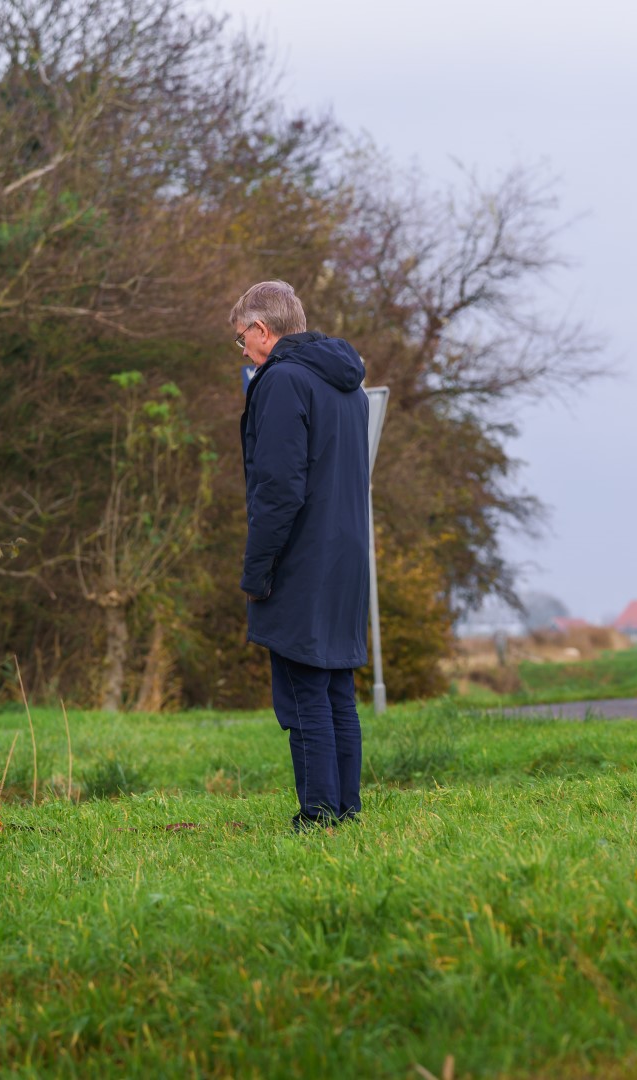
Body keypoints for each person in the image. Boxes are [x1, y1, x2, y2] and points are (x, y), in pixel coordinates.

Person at [234, 280, 370, 830]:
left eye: (241, 337)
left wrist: (257, 568)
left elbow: (279, 489)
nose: (241, 349)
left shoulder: (282, 381)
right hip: (348, 556)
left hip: (301, 557)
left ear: (262, 330)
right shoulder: (349, 387)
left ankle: (317, 814)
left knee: (303, 690)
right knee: (337, 688)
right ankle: (346, 808)